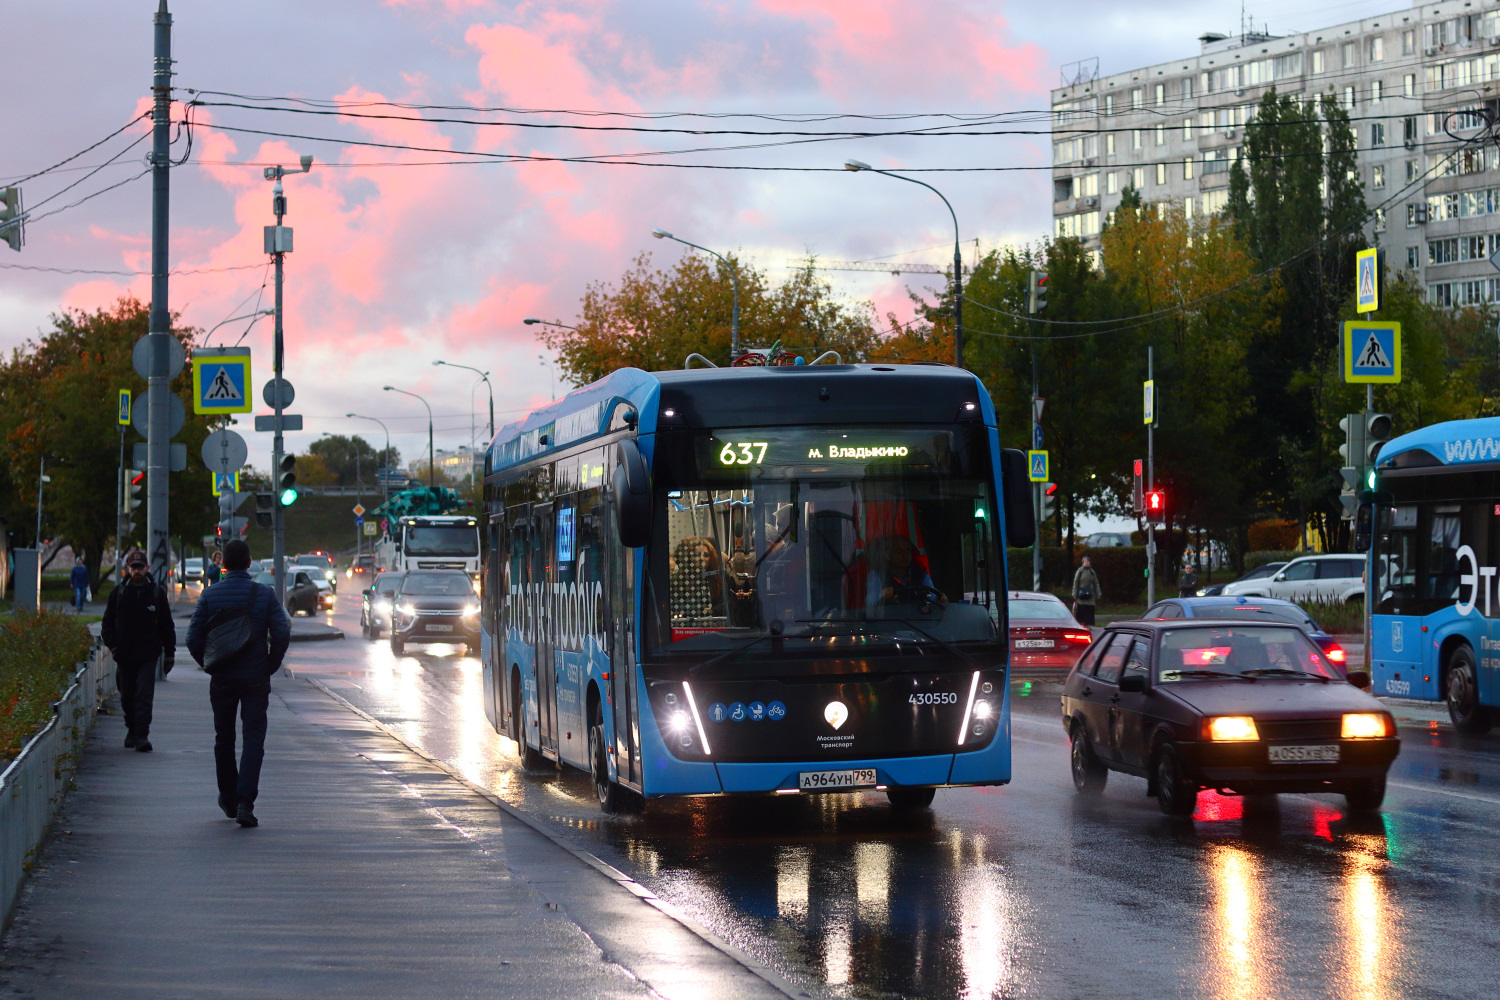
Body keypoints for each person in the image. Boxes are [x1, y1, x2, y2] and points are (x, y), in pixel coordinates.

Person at [186, 539, 290, 828]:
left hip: (222, 677)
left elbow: (192, 638)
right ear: (249, 563)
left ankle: (228, 797)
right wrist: (270, 664)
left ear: (223, 564)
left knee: (224, 737)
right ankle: (245, 802)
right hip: (255, 677)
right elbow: (282, 632)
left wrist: (209, 663)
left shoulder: (210, 595)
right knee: (253, 739)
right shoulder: (264, 594)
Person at [101, 552, 176, 751]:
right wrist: (114, 647)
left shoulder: (156, 593)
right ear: (128, 569)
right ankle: (132, 729)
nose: (137, 571)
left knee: (144, 694)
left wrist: (169, 654)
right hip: (124, 654)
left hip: (148, 654)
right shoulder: (119, 593)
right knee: (126, 695)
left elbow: (167, 626)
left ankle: (142, 735)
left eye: (140, 567)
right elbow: (107, 624)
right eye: (133, 567)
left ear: (147, 568)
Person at [865, 534, 944, 611]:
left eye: (908, 550)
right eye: (899, 551)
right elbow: (870, 601)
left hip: (917, 618)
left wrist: (940, 600)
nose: (905, 555)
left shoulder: (921, 574)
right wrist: (882, 595)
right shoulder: (876, 575)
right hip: (890, 618)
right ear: (887, 554)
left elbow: (933, 598)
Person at [1071, 556, 1102, 627]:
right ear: (1082, 563)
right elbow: (1076, 583)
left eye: (1088, 561)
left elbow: (1096, 583)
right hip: (1081, 595)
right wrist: (1074, 594)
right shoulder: (1080, 571)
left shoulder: (1092, 571)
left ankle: (1090, 625)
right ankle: (1081, 624)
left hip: (1090, 595)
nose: (1087, 563)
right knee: (1081, 610)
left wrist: (1098, 593)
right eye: (1085, 561)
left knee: (1090, 610)